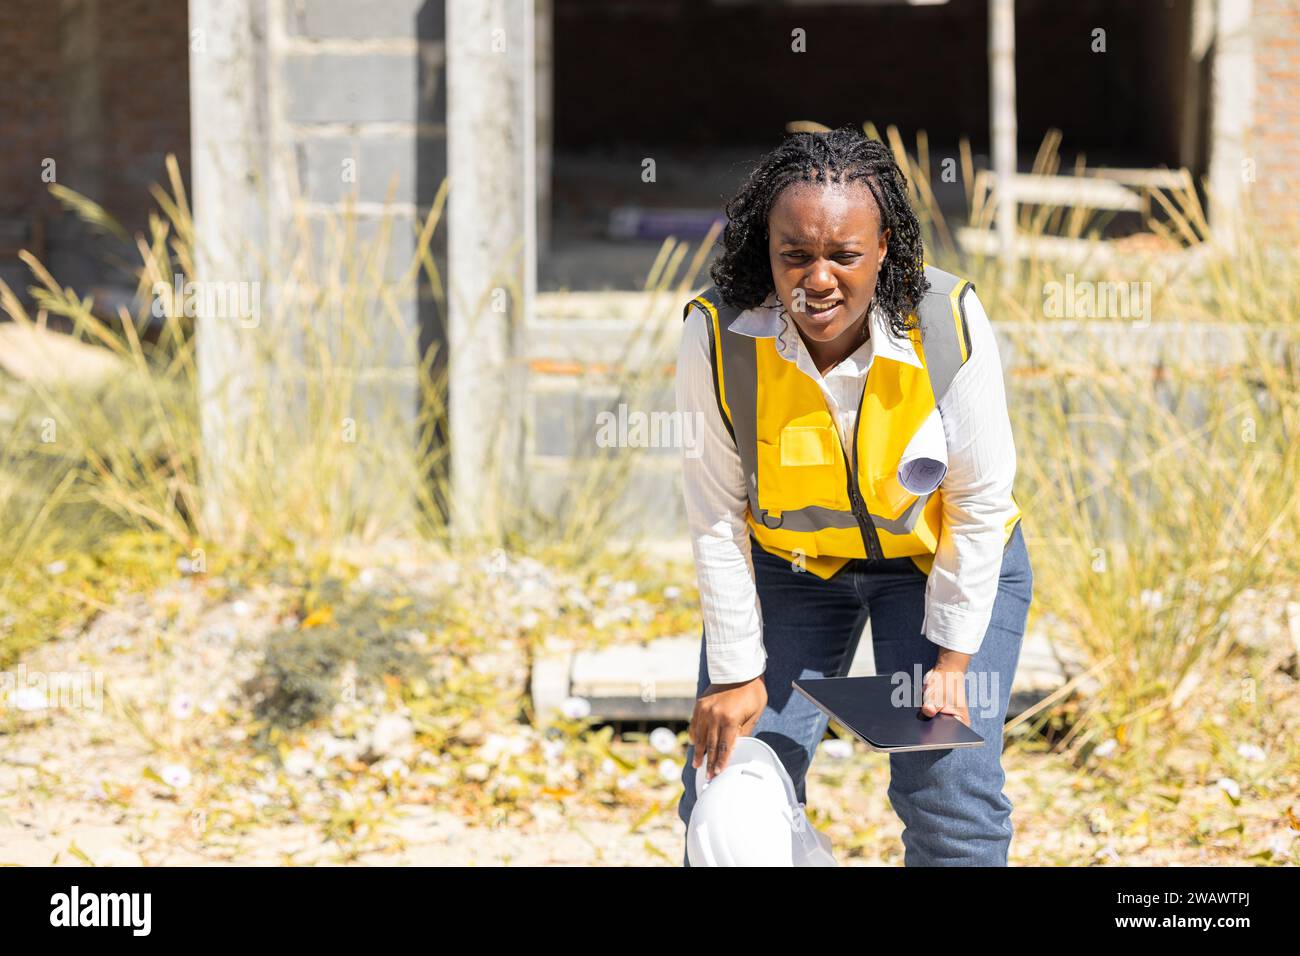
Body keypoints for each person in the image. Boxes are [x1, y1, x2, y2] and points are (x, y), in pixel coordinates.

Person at [673, 127, 1034, 866]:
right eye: (794, 255)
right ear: (763, 252)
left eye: (844, 255)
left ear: (885, 249)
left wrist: (953, 662)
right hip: (792, 571)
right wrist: (739, 669)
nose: (818, 279)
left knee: (949, 793)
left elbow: (979, 501)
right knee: (726, 792)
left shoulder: (945, 322)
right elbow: (714, 510)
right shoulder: (717, 334)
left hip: (938, 564)